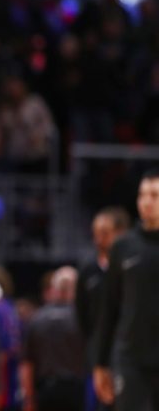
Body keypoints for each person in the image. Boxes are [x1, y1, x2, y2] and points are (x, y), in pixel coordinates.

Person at [94, 169, 159, 410]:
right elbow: (110, 307)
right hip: (131, 359)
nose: (147, 202)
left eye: (154, 195)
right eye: (143, 195)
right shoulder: (123, 246)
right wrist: (100, 363)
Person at [75, 206, 129, 411]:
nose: (98, 239)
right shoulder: (88, 271)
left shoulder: (133, 267)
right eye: (95, 233)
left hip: (129, 353)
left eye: (105, 233)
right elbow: (82, 316)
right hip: (98, 356)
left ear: (121, 233)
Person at [21, 267, 86, 411]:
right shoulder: (84, 320)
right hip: (76, 391)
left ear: (54, 289)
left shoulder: (37, 319)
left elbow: (27, 365)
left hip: (45, 391)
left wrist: (28, 399)